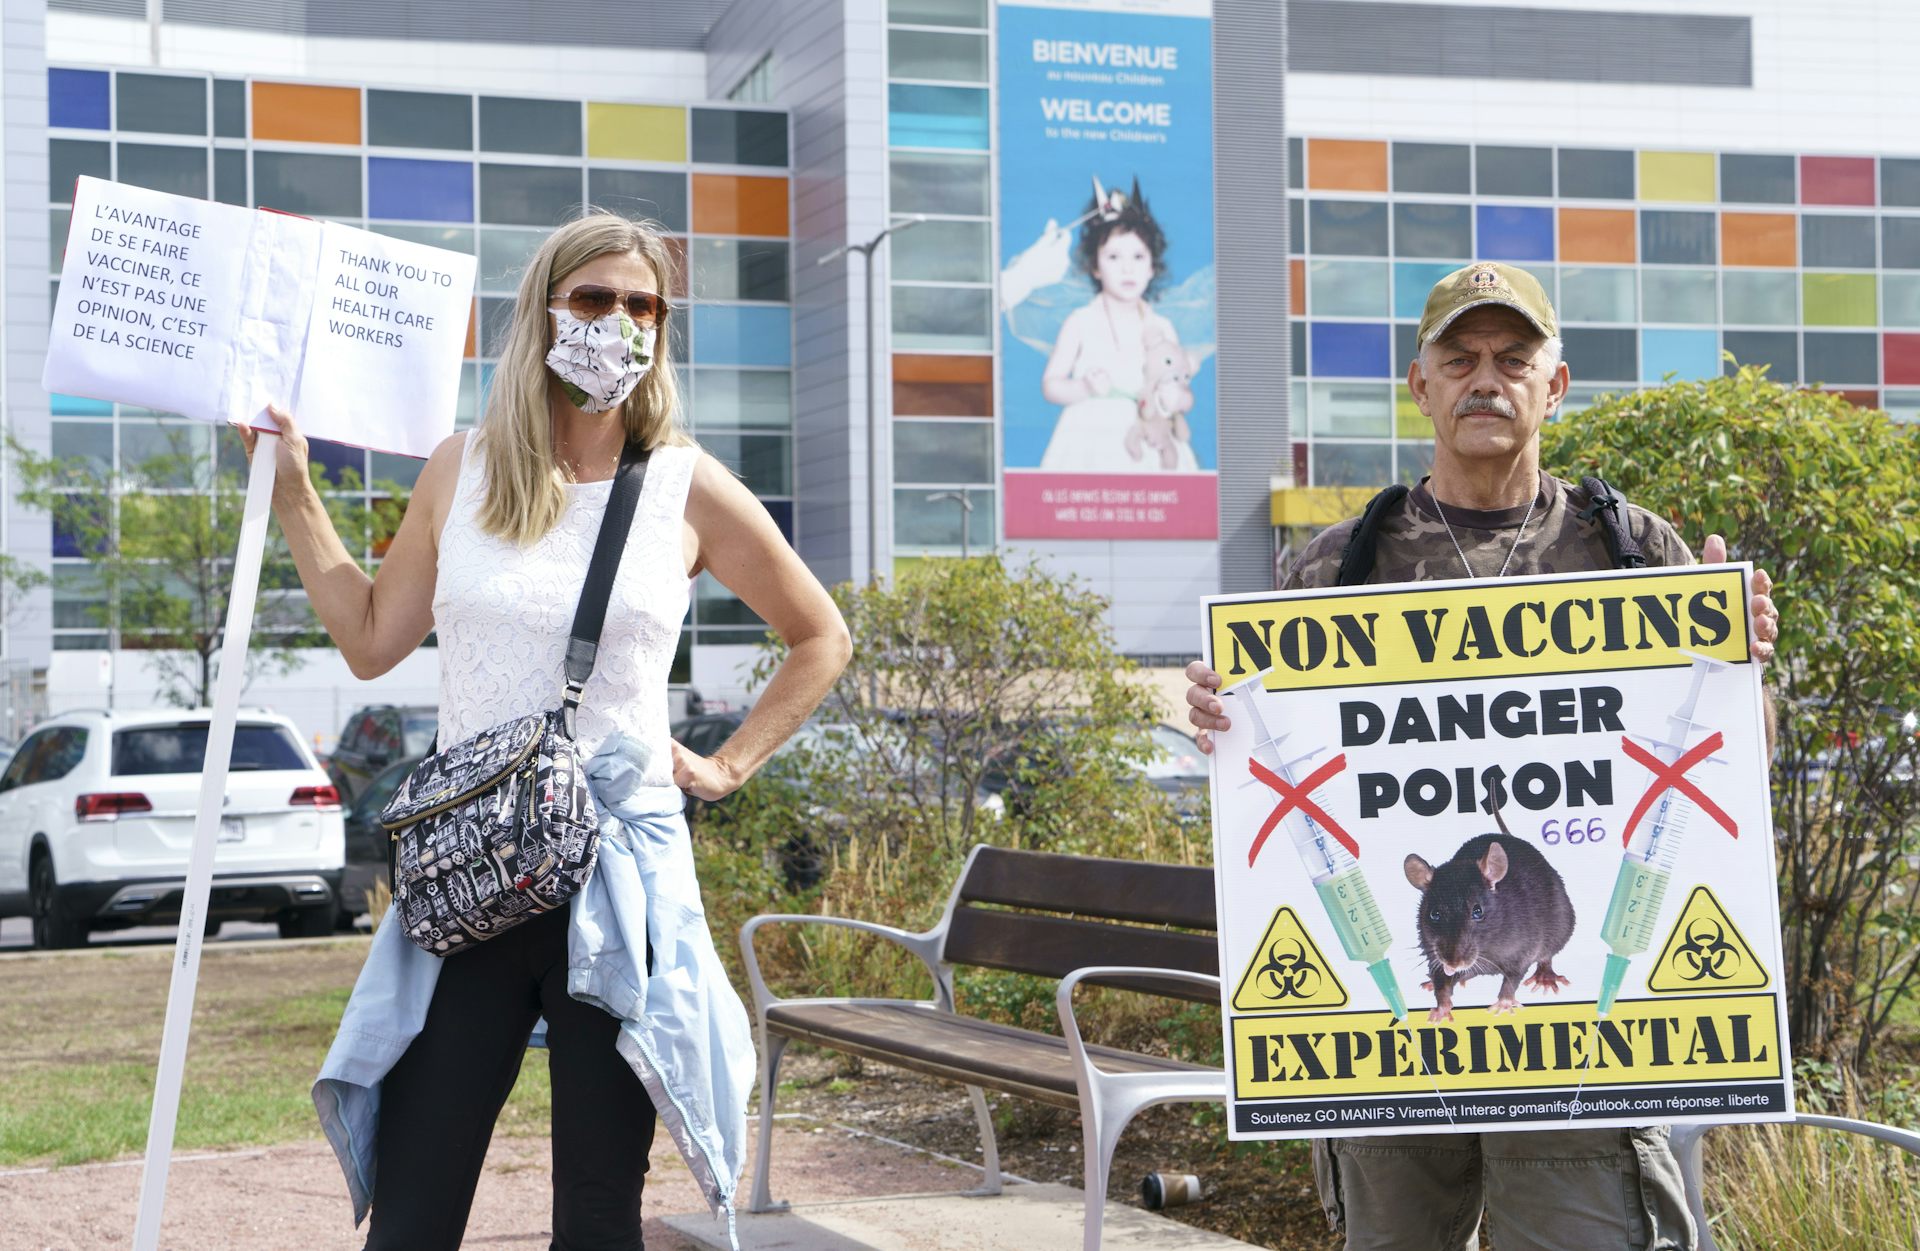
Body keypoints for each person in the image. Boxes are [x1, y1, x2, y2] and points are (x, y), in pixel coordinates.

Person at [245, 212, 851, 1249]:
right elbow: (369, 638)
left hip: (618, 877)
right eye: (594, 298)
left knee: (599, 1210)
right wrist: (296, 487)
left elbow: (820, 636)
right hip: (476, 870)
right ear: (542, 314)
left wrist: (726, 763)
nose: (618, 322)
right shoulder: (462, 468)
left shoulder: (683, 487)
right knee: (417, 1200)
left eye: (642, 305)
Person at [1182, 262, 1781, 1251]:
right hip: (1392, 1054)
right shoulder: (1340, 563)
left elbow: (1739, 765)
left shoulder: (1634, 553)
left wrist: (1735, 667)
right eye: (1459, 359)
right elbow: (1269, 772)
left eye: (1513, 358)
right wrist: (1216, 714)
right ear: (1421, 386)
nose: (1486, 380)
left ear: (1556, 384)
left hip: (1584, 1053)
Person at [1038, 179, 1199, 473]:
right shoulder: (1080, 321)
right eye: (1114, 257)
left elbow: (1183, 388)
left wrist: (1177, 400)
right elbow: (1051, 385)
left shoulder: (1162, 326)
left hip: (1150, 436)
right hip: (1090, 438)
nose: (1128, 268)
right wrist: (1084, 387)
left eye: (1138, 257)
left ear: (1152, 268)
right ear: (1095, 267)